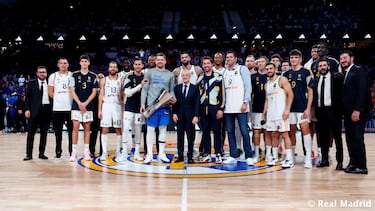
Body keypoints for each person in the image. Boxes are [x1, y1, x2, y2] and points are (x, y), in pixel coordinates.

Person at [140, 52, 176, 164]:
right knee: (150, 130)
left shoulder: (170, 74)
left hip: (164, 106)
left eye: (162, 59)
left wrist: (173, 98)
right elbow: (145, 89)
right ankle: (149, 155)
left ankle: (161, 154)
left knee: (162, 130)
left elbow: (171, 90)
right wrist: (142, 104)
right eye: (158, 59)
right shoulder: (149, 72)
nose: (160, 61)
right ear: (155, 61)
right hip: (151, 107)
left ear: (165, 61)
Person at [222, 50, 255, 165]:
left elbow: (248, 87)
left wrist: (245, 102)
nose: (228, 59)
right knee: (230, 131)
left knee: (244, 131)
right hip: (228, 108)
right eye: (227, 57)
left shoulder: (242, 69)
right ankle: (233, 155)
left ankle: (249, 155)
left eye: (231, 57)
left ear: (236, 58)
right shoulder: (225, 72)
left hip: (241, 106)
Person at [310, 59, 344, 169]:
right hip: (320, 111)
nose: (323, 67)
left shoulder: (336, 77)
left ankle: (340, 162)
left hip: (333, 111)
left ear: (328, 67)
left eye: (324, 65)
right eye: (320, 66)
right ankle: (324, 160)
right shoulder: (316, 79)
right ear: (318, 68)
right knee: (322, 137)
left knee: (337, 137)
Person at [340, 50, 370, 174]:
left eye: (345, 58)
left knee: (357, 139)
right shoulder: (346, 73)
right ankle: (353, 163)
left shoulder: (359, 70)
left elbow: (362, 92)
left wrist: (357, 109)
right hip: (348, 114)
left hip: (356, 112)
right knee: (350, 139)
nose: (343, 61)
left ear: (352, 58)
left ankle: (362, 166)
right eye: (341, 59)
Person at [284, 49, 314, 168]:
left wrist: (308, 108)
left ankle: (308, 157)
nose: (293, 60)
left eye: (296, 57)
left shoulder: (306, 72)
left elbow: (310, 92)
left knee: (305, 130)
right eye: (292, 58)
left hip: (302, 107)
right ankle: (291, 157)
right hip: (290, 108)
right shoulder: (286, 74)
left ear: (300, 59)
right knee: (291, 132)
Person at [263, 62, 295, 168]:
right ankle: (275, 158)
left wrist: (287, 110)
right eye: (267, 69)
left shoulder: (282, 80)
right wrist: (264, 113)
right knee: (274, 134)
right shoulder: (266, 84)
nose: (269, 71)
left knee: (285, 134)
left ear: (275, 69)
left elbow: (291, 94)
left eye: (271, 68)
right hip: (271, 114)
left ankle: (289, 159)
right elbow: (267, 100)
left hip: (281, 113)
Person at [69, 55, 99, 161]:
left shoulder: (93, 76)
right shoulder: (74, 75)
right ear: (80, 63)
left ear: (89, 63)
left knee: (87, 128)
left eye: (86, 61)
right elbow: (72, 90)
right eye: (82, 61)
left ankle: (86, 152)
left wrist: (85, 103)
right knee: (75, 127)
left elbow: (94, 92)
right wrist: (79, 103)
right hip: (76, 105)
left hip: (88, 106)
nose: (84, 63)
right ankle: (74, 152)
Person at [197, 56, 225, 163]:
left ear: (212, 64)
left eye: (208, 63)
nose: (206, 65)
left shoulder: (219, 77)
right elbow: (197, 95)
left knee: (217, 132)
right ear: (202, 65)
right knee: (205, 132)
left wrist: (221, 108)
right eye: (204, 64)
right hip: (203, 109)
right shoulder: (200, 78)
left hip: (215, 108)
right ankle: (206, 153)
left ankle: (218, 153)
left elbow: (223, 94)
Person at [23, 66, 52, 161]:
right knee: (31, 133)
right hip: (34, 111)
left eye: (43, 72)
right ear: (37, 73)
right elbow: (27, 97)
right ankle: (29, 154)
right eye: (40, 72)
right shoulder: (31, 83)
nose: (42, 73)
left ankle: (41, 153)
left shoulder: (51, 84)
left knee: (44, 134)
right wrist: (27, 109)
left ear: (46, 73)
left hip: (47, 110)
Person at [121, 58, 147, 161]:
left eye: (139, 64)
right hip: (129, 107)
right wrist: (141, 85)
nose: (137, 66)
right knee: (126, 128)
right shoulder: (129, 77)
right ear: (133, 66)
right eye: (135, 64)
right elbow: (128, 93)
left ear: (142, 66)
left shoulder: (145, 77)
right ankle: (124, 152)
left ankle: (136, 152)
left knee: (138, 130)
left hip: (140, 108)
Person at [98, 61, 124, 161]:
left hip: (117, 106)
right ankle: (104, 152)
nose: (112, 68)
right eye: (111, 67)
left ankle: (118, 151)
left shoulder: (121, 80)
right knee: (104, 129)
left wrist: (123, 110)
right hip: (106, 105)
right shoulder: (104, 80)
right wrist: (99, 109)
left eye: (114, 67)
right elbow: (100, 95)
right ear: (108, 69)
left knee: (118, 129)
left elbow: (123, 96)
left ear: (117, 69)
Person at [48, 57, 73, 158]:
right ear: (58, 65)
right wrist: (58, 98)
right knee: (58, 132)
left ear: (68, 65)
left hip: (70, 108)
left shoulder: (72, 75)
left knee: (71, 132)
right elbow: (50, 92)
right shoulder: (53, 76)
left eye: (65, 63)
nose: (63, 65)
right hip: (57, 109)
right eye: (61, 63)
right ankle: (58, 152)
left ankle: (72, 152)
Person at [172, 69, 200, 163]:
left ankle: (190, 156)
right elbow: (174, 103)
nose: (184, 77)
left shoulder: (195, 88)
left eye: (186, 75)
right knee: (180, 137)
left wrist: (196, 116)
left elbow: (197, 103)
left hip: (191, 117)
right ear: (181, 77)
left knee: (190, 137)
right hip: (179, 116)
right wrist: (174, 113)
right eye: (183, 75)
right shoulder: (177, 88)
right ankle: (180, 156)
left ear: (190, 76)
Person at [250, 56, 269, 163]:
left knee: (267, 132)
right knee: (256, 131)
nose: (261, 63)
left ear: (266, 63)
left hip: (269, 109)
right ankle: (256, 153)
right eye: (259, 62)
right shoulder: (253, 77)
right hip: (256, 108)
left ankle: (267, 152)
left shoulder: (270, 75)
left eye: (263, 61)